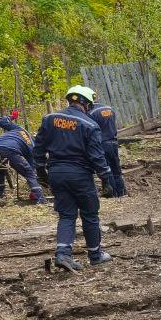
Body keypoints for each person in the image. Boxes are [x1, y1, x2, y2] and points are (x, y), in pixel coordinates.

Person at [32, 85, 114, 272]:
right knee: (90, 214)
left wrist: (41, 172)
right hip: (80, 175)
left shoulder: (49, 119)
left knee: (67, 214)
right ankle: (95, 255)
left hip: (56, 173)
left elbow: (38, 148)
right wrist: (106, 179)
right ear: (86, 103)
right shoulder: (90, 125)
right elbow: (97, 157)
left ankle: (62, 254)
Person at [0, 114, 46, 204]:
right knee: (30, 174)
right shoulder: (33, 146)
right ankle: (40, 199)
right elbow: (32, 168)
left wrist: (13, 116)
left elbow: (1, 121)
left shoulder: (20, 129)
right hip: (10, 149)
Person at [88, 93, 127, 197]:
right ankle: (122, 192)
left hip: (101, 144)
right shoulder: (109, 109)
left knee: (106, 169)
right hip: (113, 142)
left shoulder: (91, 112)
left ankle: (111, 193)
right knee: (116, 168)